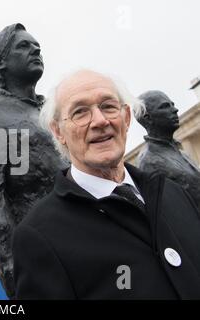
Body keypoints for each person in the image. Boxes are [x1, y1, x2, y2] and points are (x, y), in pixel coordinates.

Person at [13, 69, 200, 299]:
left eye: (109, 106)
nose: (100, 121)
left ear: (127, 118)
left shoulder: (174, 194)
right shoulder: (38, 237)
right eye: (80, 112)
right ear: (58, 131)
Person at [0, 23, 68, 298]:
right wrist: (18, 275)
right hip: (44, 259)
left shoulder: (53, 112)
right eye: (23, 46)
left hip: (85, 247)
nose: (35, 49)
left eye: (37, 46)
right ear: (0, 62)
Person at [136, 90, 200, 209]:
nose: (175, 110)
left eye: (173, 104)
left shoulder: (181, 153)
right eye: (165, 106)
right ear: (148, 118)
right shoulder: (149, 161)